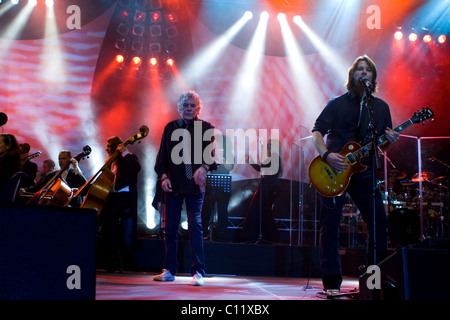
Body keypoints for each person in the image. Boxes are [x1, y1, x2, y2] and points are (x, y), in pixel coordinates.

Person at [311, 55, 400, 295]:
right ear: (352, 76)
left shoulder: (380, 108)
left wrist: (390, 142)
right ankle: (331, 283)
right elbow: (317, 131)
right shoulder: (337, 103)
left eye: (368, 70)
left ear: (373, 76)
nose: (363, 73)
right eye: (359, 69)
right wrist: (326, 155)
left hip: (364, 174)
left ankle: (373, 281)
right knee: (330, 226)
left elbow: (383, 146)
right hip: (335, 170)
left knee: (379, 223)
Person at [154, 90, 217, 286]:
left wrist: (203, 169)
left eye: (193, 106)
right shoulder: (170, 128)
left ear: (198, 108)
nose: (189, 109)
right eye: (186, 106)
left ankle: (198, 272)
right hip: (174, 184)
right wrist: (164, 177)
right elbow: (162, 158)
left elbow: (212, 157)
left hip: (195, 186)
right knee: (170, 228)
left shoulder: (206, 128)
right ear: (180, 108)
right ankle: (169, 270)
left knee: (195, 226)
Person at [97, 136, 141, 272]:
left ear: (117, 146)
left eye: (109, 146)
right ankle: (110, 257)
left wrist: (125, 151)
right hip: (114, 196)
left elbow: (135, 168)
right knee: (104, 220)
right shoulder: (112, 162)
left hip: (125, 197)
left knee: (108, 216)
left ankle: (115, 257)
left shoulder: (128, 158)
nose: (106, 148)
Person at [238, 139, 283, 243]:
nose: (269, 147)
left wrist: (251, 161)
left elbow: (262, 168)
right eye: (268, 145)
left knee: (260, 211)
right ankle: (265, 236)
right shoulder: (273, 158)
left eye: (271, 145)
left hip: (268, 189)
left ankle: (264, 236)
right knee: (262, 212)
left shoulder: (275, 158)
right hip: (266, 188)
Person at [201, 133, 234, 242]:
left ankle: (222, 235)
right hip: (211, 186)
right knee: (206, 210)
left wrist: (221, 157)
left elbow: (229, 167)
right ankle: (204, 233)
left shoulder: (229, 155)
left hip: (223, 187)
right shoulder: (210, 153)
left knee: (222, 211)